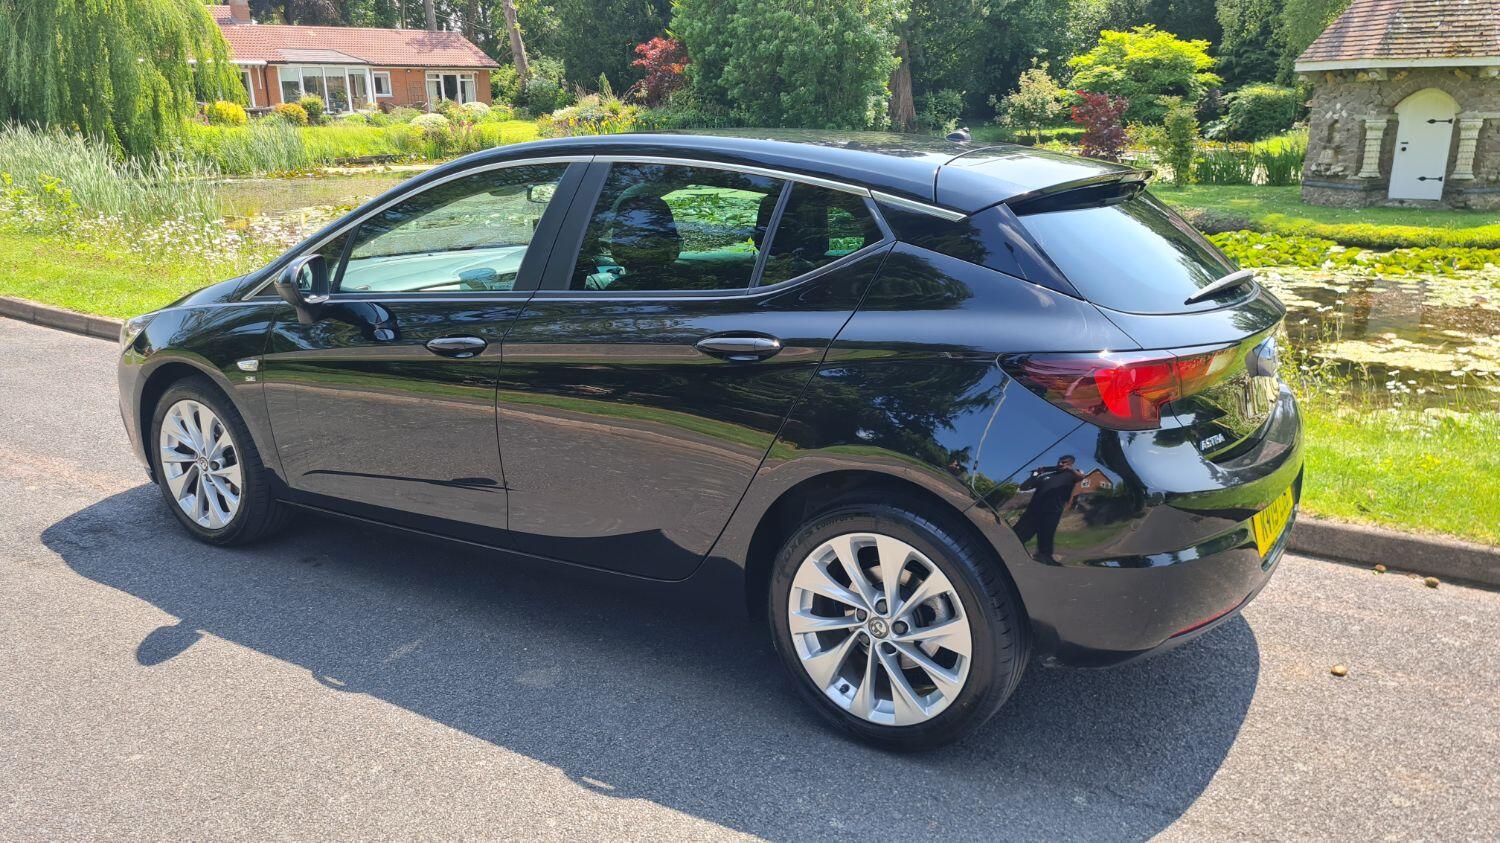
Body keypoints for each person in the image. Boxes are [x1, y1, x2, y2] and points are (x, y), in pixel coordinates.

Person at [1012, 455, 1084, 564]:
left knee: (1046, 536)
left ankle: (1044, 557)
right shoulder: (1047, 475)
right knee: (1017, 535)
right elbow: (1024, 487)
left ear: (1070, 464)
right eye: (1059, 462)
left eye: (1064, 462)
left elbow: (1081, 476)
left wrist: (1070, 469)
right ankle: (1007, 552)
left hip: (1052, 511)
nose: (1060, 464)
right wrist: (1035, 475)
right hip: (1033, 510)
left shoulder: (1071, 475)